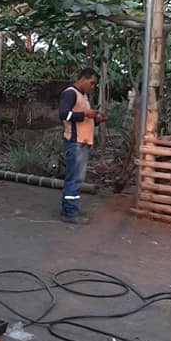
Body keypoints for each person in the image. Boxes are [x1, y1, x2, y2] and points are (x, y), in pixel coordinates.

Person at [58, 67, 106, 224]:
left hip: (82, 142)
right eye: (92, 83)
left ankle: (70, 208)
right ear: (83, 79)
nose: (93, 87)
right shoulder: (70, 93)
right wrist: (86, 114)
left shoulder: (83, 96)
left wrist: (96, 120)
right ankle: (70, 213)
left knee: (76, 178)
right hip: (75, 143)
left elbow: (81, 120)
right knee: (74, 179)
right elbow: (63, 114)